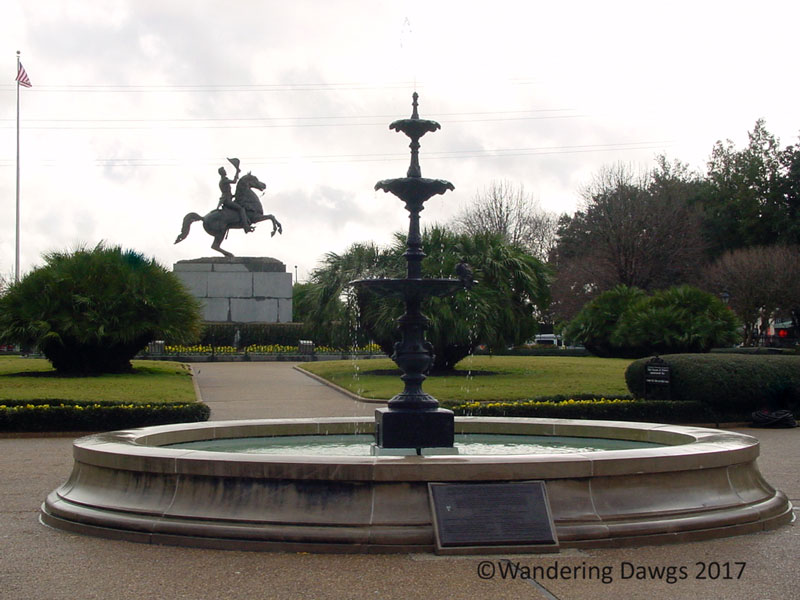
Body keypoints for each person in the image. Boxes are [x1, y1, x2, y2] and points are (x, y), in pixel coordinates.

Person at [217, 164, 253, 232]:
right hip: (227, 200)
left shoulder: (223, 180)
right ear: (222, 173)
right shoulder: (224, 180)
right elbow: (234, 181)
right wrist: (237, 172)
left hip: (228, 198)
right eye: (224, 170)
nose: (225, 171)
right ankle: (246, 227)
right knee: (241, 209)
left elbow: (228, 192)